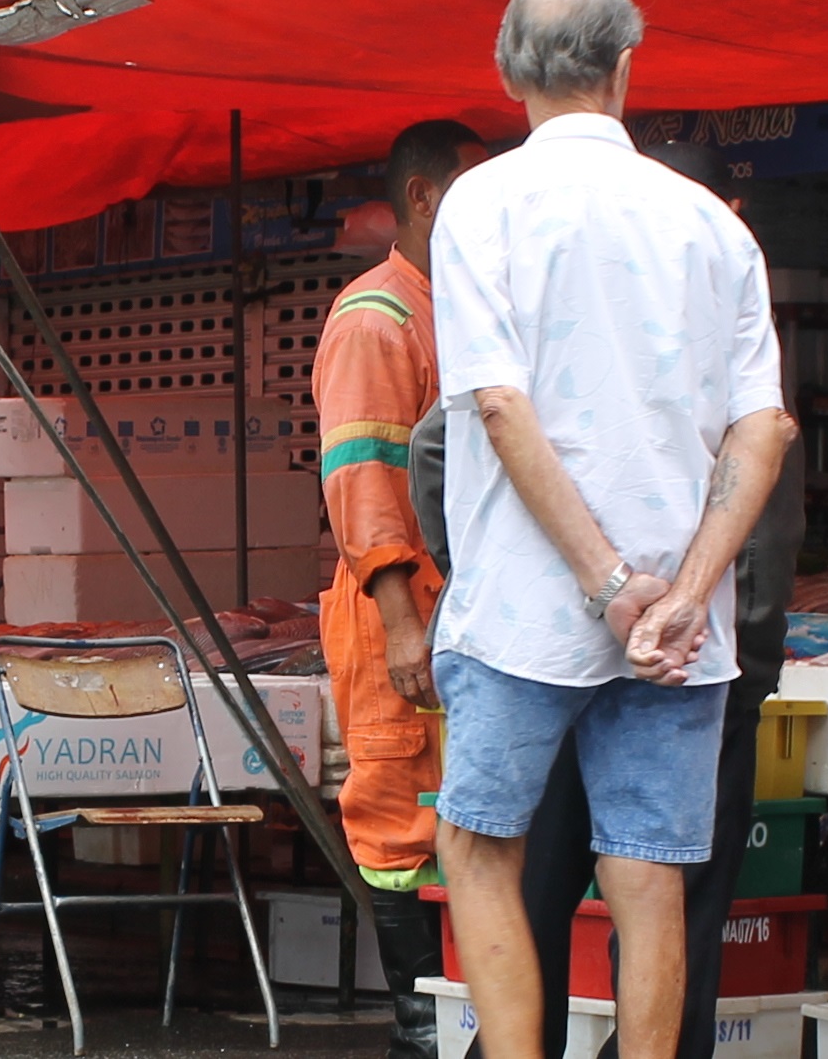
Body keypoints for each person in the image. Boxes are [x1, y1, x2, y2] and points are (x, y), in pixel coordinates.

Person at [429, 0, 796, 1059]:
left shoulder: (480, 203)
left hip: (525, 614)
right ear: (627, 68)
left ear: (505, 71)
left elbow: (499, 403)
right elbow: (764, 428)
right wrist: (681, 593)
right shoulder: (710, 226)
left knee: (478, 845)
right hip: (680, 639)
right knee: (651, 881)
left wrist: (603, 583)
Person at [310, 118, 484, 1059]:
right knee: (398, 820)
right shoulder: (378, 318)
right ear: (424, 196)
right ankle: (422, 1031)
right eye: (472, 191)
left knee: (457, 815)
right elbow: (363, 479)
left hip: (450, 607)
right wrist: (403, 618)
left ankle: (451, 1026)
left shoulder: (451, 309)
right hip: (399, 610)